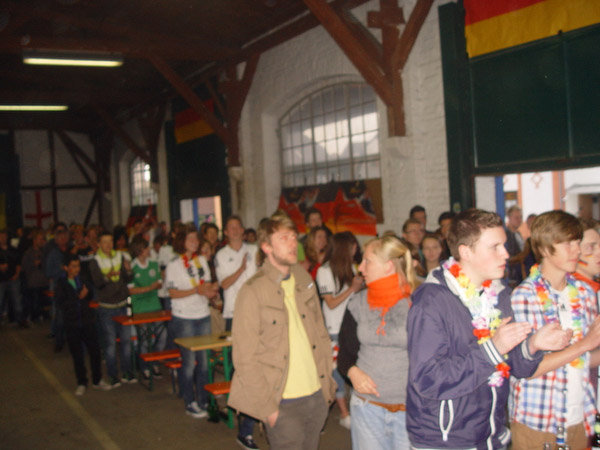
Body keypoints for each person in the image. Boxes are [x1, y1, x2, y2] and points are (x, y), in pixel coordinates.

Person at [407, 208, 571, 450]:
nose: (506, 253)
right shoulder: (432, 301)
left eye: (504, 245)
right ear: (466, 251)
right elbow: (428, 380)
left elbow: (516, 367)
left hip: (491, 435)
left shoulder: (499, 293)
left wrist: (533, 344)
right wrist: (493, 349)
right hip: (446, 441)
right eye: (495, 247)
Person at [228, 213, 335, 450]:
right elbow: (244, 359)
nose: (292, 243)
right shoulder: (252, 291)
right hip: (283, 402)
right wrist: (268, 409)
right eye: (284, 238)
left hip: (316, 395)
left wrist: (327, 387)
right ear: (266, 246)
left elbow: (321, 333)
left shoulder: (303, 278)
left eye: (294, 236)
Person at [509, 211, 600, 450]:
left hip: (579, 417)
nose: (577, 250)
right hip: (537, 421)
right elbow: (527, 370)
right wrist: (585, 344)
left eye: (578, 242)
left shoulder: (585, 293)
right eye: (568, 243)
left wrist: (591, 346)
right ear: (545, 249)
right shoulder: (524, 296)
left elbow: (584, 359)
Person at [336, 235, 415, 449]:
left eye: (367, 261)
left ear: (388, 266)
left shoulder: (417, 302)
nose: (360, 268)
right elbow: (345, 353)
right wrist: (352, 371)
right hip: (366, 408)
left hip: (409, 410)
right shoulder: (357, 302)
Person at [214, 216, 259, 449]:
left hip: (256, 312)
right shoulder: (221, 255)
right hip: (234, 314)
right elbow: (224, 284)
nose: (235, 231)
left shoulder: (254, 250)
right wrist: (241, 268)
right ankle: (240, 412)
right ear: (226, 232)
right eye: (230, 228)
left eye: (238, 227)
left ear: (243, 230)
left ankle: (252, 415)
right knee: (239, 366)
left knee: (258, 364)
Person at [166, 224, 219, 419]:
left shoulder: (201, 261)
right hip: (184, 317)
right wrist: (196, 290)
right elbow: (172, 293)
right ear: (182, 242)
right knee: (188, 363)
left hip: (202, 314)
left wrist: (212, 291)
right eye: (191, 239)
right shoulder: (174, 264)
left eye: (196, 238)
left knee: (204, 362)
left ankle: (203, 399)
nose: (195, 242)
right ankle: (190, 401)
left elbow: (205, 287)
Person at [317, 231, 363, 431]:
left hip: (353, 326)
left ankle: (356, 409)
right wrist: (352, 288)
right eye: (352, 246)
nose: (355, 249)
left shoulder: (353, 267)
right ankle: (344, 414)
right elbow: (331, 302)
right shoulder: (325, 270)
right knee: (337, 373)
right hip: (334, 327)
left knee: (355, 368)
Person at [56, 254, 109, 395]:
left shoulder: (83, 279)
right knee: (77, 354)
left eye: (78, 266)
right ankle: (81, 382)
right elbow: (61, 303)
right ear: (66, 267)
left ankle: (97, 379)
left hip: (87, 321)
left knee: (95, 351)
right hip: (72, 323)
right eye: (73, 266)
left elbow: (90, 295)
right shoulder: (61, 283)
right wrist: (78, 297)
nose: (77, 269)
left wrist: (87, 294)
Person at [89, 231, 135, 388]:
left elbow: (128, 278)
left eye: (110, 241)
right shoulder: (95, 261)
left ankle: (127, 372)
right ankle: (113, 375)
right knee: (110, 344)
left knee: (126, 341)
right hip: (107, 307)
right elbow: (97, 283)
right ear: (99, 244)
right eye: (104, 242)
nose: (108, 245)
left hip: (122, 304)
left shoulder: (120, 257)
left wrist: (128, 270)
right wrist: (107, 276)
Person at [128, 235, 165, 380]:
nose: (149, 250)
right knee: (144, 339)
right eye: (146, 248)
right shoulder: (132, 267)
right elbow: (131, 290)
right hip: (139, 307)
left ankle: (154, 362)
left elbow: (159, 283)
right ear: (139, 250)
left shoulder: (154, 264)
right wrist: (149, 288)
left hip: (155, 305)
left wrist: (157, 284)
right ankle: (144, 366)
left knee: (163, 335)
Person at [21, 229, 49, 324]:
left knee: (43, 302)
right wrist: (33, 264)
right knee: (34, 303)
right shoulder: (28, 253)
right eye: (39, 239)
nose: (41, 241)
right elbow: (24, 267)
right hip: (33, 283)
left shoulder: (44, 252)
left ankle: (42, 316)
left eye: (42, 239)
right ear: (35, 240)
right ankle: (34, 318)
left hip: (43, 281)